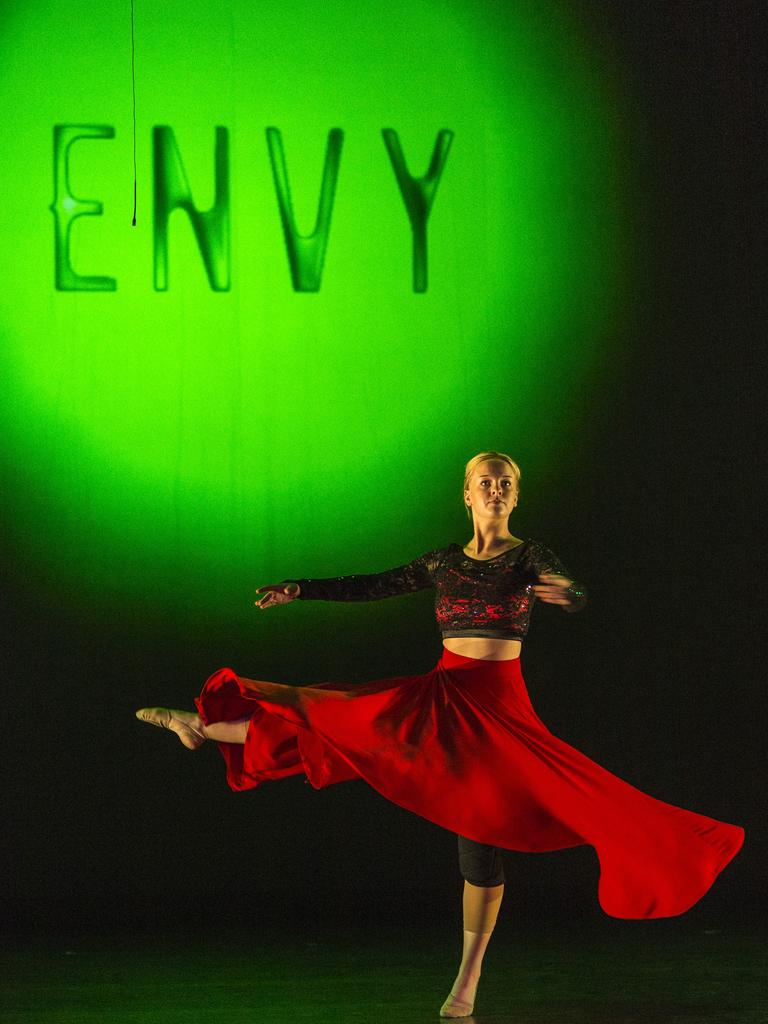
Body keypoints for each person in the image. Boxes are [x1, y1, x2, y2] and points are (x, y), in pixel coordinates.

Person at [136, 450, 744, 1020]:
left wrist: (570, 594)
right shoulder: (444, 562)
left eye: (506, 481)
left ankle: (467, 979)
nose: (496, 488)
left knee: (490, 835)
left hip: (500, 707)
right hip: (442, 695)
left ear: (515, 496)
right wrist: (301, 588)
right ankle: (202, 725)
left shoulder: (531, 558)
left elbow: (573, 590)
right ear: (467, 494)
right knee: (335, 723)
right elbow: (371, 584)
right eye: (487, 479)